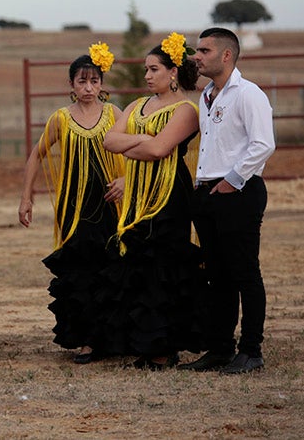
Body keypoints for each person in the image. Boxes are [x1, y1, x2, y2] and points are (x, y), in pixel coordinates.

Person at [95, 33, 206, 369]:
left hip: (169, 194)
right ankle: (142, 341)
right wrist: (144, 138)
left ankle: (165, 346)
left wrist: (138, 144)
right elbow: (109, 141)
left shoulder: (186, 110)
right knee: (138, 264)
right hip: (138, 195)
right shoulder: (136, 106)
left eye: (153, 69)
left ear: (173, 72)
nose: (146, 75)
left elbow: (161, 150)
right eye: (145, 69)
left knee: (164, 266)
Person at [18, 44, 124, 364]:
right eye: (81, 81)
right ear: (71, 86)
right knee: (81, 269)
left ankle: (115, 337)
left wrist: (127, 181)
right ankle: (87, 340)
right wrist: (27, 197)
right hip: (74, 206)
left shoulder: (115, 114)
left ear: (102, 84)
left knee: (112, 267)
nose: (88, 88)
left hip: (110, 202)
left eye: (94, 81)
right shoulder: (61, 119)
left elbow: (139, 148)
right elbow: (37, 154)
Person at [180, 27, 276, 374]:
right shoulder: (207, 95)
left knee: (244, 272)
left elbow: (263, 144)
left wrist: (232, 181)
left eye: (204, 51)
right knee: (217, 276)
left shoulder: (248, 94)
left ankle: (251, 350)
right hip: (207, 191)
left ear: (226, 55)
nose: (197, 56)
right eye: (197, 50)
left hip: (238, 191)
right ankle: (220, 348)